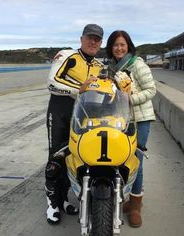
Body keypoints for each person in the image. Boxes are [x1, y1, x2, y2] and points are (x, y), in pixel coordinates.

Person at [45, 24, 104, 224]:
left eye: (97, 39)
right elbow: (52, 83)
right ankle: (52, 204)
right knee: (56, 157)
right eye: (90, 37)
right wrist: (79, 89)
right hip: (60, 112)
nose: (93, 42)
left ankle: (63, 199)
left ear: (101, 42)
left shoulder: (99, 66)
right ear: (81, 38)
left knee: (75, 158)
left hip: (83, 118)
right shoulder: (67, 55)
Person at [106, 30, 156, 227]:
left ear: (128, 46)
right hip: (119, 120)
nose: (119, 48)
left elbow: (151, 90)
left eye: (122, 45)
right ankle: (124, 198)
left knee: (136, 160)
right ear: (111, 47)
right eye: (115, 45)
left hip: (140, 119)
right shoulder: (110, 67)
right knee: (119, 159)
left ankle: (135, 205)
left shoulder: (137, 64)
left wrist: (129, 100)